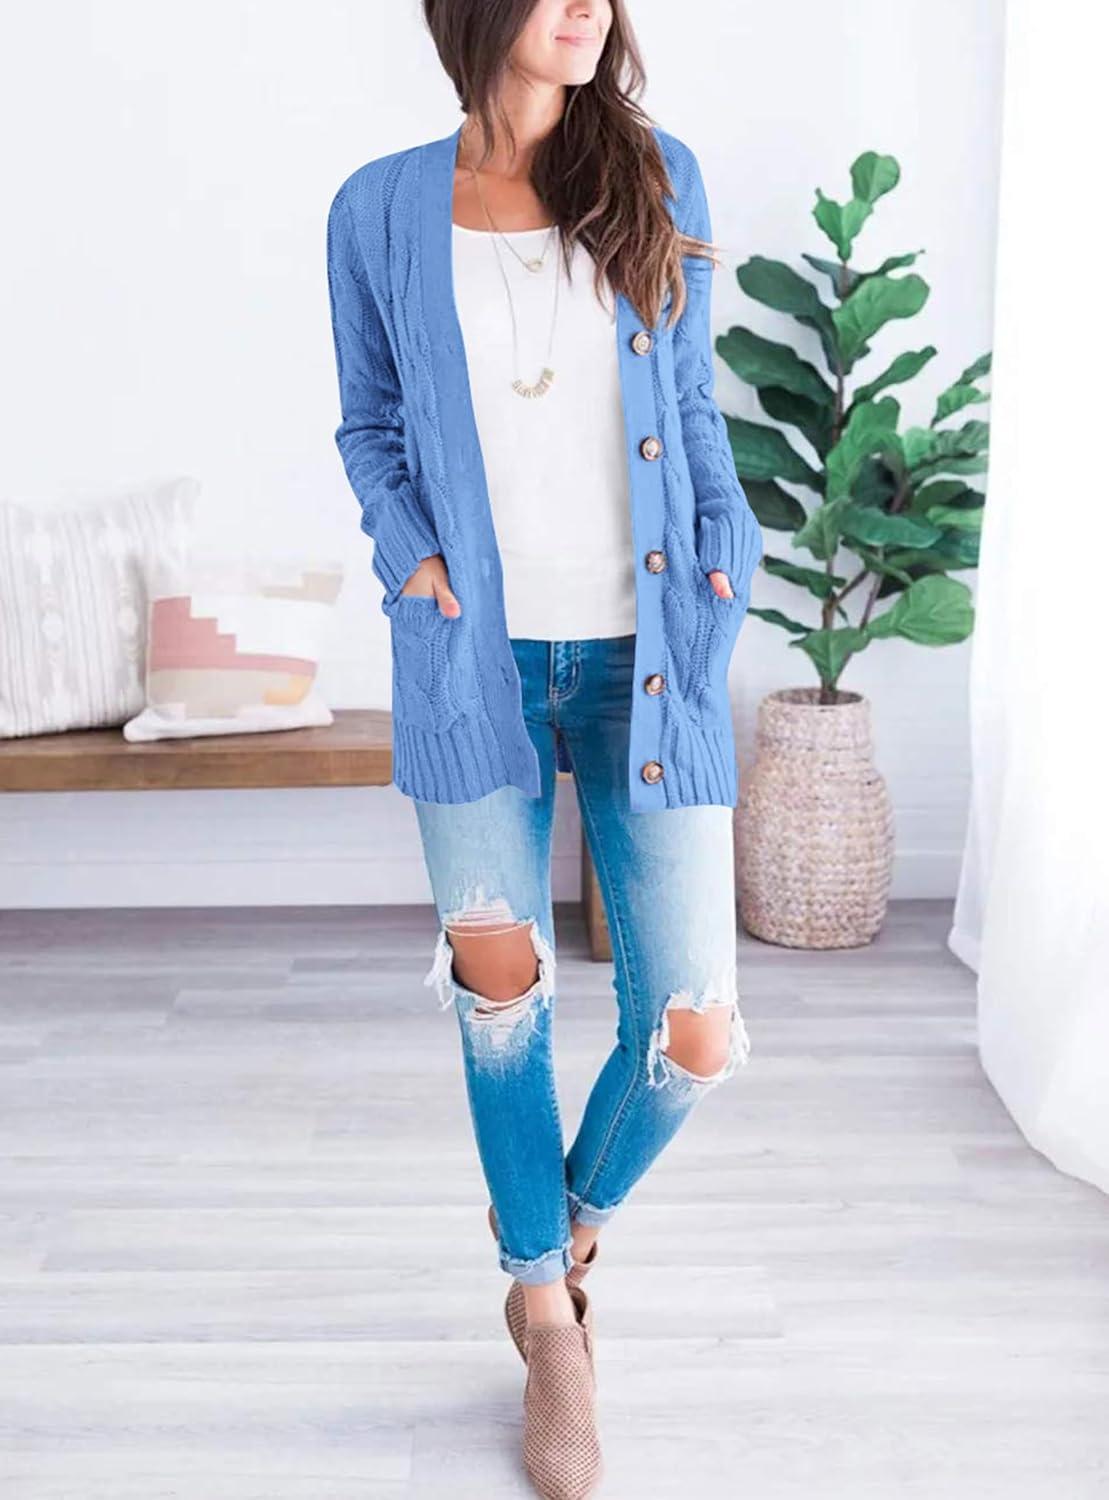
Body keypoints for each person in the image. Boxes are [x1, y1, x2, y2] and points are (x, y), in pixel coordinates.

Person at [326, 2, 764, 1494]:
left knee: (693, 1029)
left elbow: (688, 400)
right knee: (501, 996)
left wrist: (726, 558)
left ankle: (557, 1237)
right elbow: (369, 424)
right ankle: (547, 1320)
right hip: (474, 656)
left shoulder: (657, 172)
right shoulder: (379, 207)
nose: (590, 6)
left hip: (651, 649)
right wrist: (411, 557)